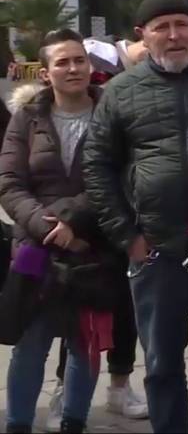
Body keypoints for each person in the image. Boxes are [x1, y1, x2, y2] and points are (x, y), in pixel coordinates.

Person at [82, 0, 188, 433]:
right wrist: (127, 237)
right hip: (155, 254)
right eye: (162, 27)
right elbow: (97, 167)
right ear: (143, 36)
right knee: (163, 364)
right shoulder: (120, 92)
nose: (174, 35)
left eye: (182, 25)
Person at [0, 29, 121, 433]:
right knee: (30, 343)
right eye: (62, 62)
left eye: (79, 60)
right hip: (36, 249)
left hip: (92, 246)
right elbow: (9, 183)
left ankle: (74, 421)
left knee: (84, 344)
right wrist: (47, 226)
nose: (73, 68)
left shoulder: (112, 113)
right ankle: (18, 423)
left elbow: (120, 178)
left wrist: (75, 224)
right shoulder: (27, 117)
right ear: (46, 72)